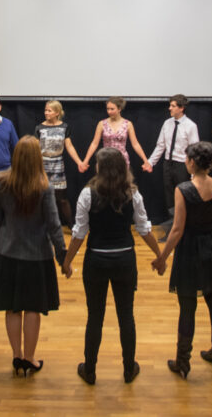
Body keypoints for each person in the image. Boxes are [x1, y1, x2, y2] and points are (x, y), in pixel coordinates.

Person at [62, 148, 162, 385]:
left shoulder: (87, 194)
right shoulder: (133, 193)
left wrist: (67, 262)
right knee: (126, 315)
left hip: (96, 260)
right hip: (125, 260)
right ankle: (129, 369)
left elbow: (79, 233)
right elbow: (144, 228)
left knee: (95, 316)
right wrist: (160, 255)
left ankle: (90, 370)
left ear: (101, 168)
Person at [152, 142, 212, 379]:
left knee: (188, 307)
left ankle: (183, 362)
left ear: (192, 162)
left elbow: (177, 229)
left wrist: (162, 258)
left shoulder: (183, 189)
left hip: (190, 251)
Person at [0, 136, 66, 376]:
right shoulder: (45, 187)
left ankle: (16, 356)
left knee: (12, 308)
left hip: (8, 253)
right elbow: (54, 226)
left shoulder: (1, 184)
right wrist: (63, 257)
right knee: (32, 308)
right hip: (37, 255)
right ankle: (30, 358)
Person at [147, 94, 199, 235]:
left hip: (182, 165)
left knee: (182, 195)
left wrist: (194, 173)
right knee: (169, 195)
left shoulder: (191, 126)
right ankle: (173, 229)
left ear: (181, 108)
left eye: (173, 106)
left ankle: (184, 229)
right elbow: (160, 145)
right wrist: (150, 162)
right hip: (168, 164)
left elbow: (194, 151)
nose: (169, 108)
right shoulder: (167, 123)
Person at [34, 100, 86, 228]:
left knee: (62, 199)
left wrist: (80, 162)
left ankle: (71, 224)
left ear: (57, 113)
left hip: (58, 165)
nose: (46, 113)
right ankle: (39, 226)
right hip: (42, 165)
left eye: (49, 111)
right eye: (45, 110)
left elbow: (69, 146)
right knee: (40, 197)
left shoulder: (64, 127)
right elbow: (34, 147)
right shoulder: (39, 128)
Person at [81, 97, 151, 173]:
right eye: (108, 109)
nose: (109, 111)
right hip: (105, 159)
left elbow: (135, 144)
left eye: (112, 109)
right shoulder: (102, 124)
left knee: (121, 183)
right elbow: (94, 143)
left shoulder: (128, 124)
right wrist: (85, 161)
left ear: (119, 109)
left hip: (121, 160)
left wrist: (145, 161)